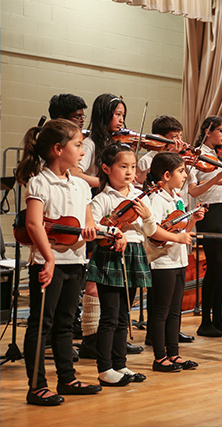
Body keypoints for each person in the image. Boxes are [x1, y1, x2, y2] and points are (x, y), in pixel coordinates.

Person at [17, 119, 102, 406]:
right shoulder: (39, 182)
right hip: (47, 262)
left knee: (66, 324)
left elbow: (87, 220)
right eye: (77, 145)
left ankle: (67, 377)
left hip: (75, 260)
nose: (81, 151)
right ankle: (37, 386)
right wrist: (49, 258)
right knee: (42, 324)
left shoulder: (79, 184)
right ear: (57, 149)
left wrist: (92, 230)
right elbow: (33, 223)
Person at [88, 143, 155, 386]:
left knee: (124, 315)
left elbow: (152, 231)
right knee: (110, 316)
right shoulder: (103, 198)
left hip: (135, 252)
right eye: (123, 166)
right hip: (112, 253)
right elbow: (94, 226)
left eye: (133, 167)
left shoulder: (138, 196)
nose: (129, 172)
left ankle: (120, 364)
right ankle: (104, 368)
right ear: (106, 168)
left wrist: (146, 216)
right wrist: (115, 230)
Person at [72, 94, 130, 359]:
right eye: (117, 114)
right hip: (97, 209)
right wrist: (103, 182)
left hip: (116, 211)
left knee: (113, 281)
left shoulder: (114, 142)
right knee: (96, 280)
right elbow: (76, 173)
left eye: (123, 115)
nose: (121, 120)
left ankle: (111, 339)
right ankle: (91, 339)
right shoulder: (92, 143)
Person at [144, 152, 205, 372]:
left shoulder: (177, 198)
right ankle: (160, 357)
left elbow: (180, 231)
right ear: (167, 175)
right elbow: (154, 231)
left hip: (178, 259)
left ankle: (174, 353)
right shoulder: (155, 198)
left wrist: (192, 222)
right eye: (181, 171)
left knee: (175, 311)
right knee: (161, 311)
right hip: (162, 262)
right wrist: (179, 236)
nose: (185, 174)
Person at [187, 116, 222, 337]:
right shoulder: (197, 155)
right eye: (221, 131)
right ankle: (205, 321)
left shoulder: (221, 155)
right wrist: (217, 178)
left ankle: (218, 318)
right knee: (214, 267)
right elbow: (193, 190)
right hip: (210, 212)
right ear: (207, 131)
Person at [135, 115, 189, 186]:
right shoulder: (146, 160)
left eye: (180, 136)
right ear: (160, 138)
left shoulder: (180, 157)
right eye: (175, 137)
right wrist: (169, 156)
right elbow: (141, 182)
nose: (180, 141)